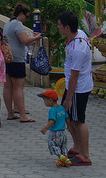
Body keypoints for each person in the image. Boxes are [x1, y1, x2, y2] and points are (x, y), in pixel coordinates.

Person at [57, 11, 93, 165]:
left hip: (79, 88)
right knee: (67, 116)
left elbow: (75, 75)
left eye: (59, 25)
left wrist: (70, 98)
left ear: (66, 27)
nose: (57, 28)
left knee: (78, 120)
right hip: (72, 86)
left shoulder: (78, 49)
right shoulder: (78, 35)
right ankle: (77, 147)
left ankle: (85, 155)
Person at [2, 2, 43, 123]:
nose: (27, 19)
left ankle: (11, 112)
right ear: (21, 14)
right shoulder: (18, 24)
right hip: (17, 59)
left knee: (8, 86)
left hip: (7, 57)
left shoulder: (8, 24)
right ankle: (23, 115)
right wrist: (36, 37)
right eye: (27, 16)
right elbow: (24, 40)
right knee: (19, 87)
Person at [38, 88, 71, 166]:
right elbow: (67, 118)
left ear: (50, 100)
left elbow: (52, 120)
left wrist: (46, 128)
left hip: (54, 133)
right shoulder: (61, 108)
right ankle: (65, 159)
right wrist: (69, 126)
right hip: (63, 132)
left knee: (52, 145)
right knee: (63, 146)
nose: (44, 102)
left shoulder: (52, 110)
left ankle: (62, 158)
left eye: (44, 100)